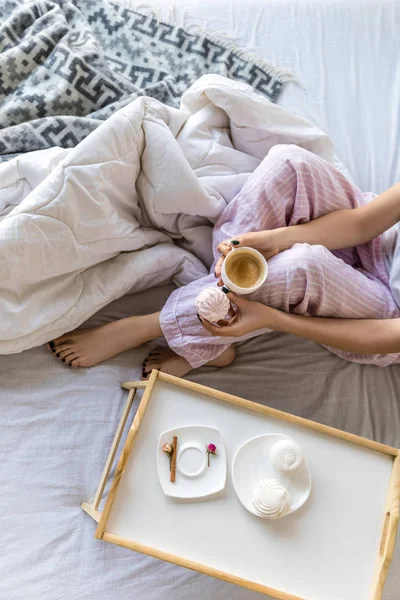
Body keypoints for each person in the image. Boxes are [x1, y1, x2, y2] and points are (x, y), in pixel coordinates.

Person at [47, 144, 400, 376]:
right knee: (290, 164)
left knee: (303, 268)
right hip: (377, 240)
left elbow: (390, 336)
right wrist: (275, 239)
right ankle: (216, 335)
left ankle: (155, 325)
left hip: (385, 316)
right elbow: (362, 223)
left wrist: (276, 320)